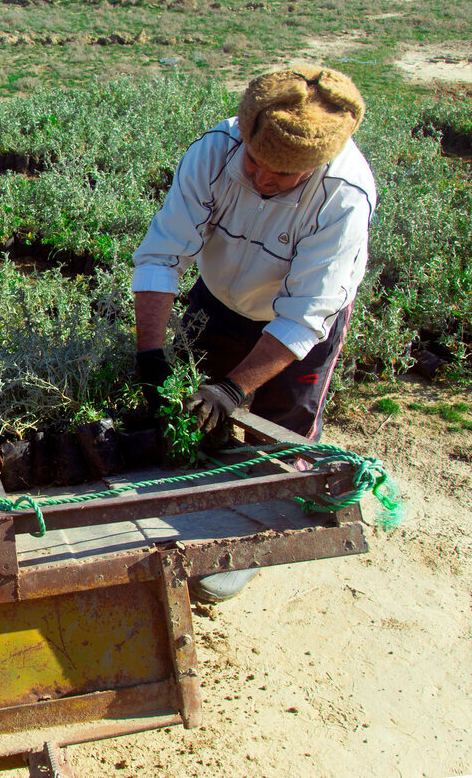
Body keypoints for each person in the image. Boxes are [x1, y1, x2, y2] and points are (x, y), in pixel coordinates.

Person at [131, 65, 376, 601]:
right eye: (257, 163)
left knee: (278, 432)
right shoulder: (214, 151)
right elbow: (162, 254)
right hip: (217, 300)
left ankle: (254, 538)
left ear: (317, 164)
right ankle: (199, 507)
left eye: (285, 176)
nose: (265, 180)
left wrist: (237, 387)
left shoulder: (344, 195)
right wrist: (150, 353)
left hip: (294, 324)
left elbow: (304, 316)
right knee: (195, 416)